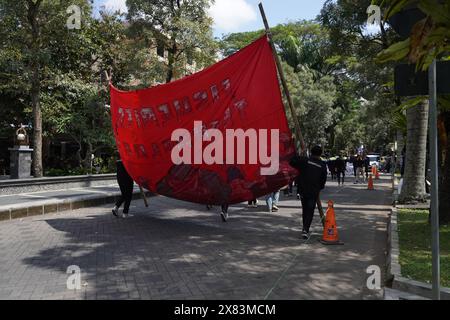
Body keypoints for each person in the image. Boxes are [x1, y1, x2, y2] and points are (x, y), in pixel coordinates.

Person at [289, 145, 327, 240]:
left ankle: (305, 229)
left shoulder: (304, 160)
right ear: (320, 153)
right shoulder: (322, 164)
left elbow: (292, 161)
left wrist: (300, 155)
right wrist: (320, 187)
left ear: (311, 152)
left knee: (305, 209)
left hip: (303, 189)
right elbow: (323, 178)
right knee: (310, 210)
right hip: (313, 191)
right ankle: (305, 229)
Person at [112, 153, 134, 218]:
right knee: (128, 196)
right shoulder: (127, 162)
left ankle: (115, 208)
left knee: (124, 194)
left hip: (120, 180)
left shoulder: (118, 163)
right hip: (128, 180)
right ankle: (125, 213)